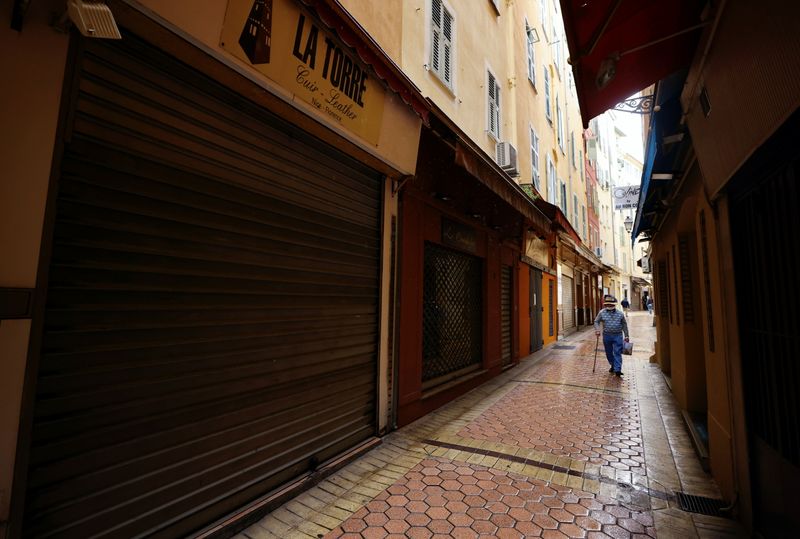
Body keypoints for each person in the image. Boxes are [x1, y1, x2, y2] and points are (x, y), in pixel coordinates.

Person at [594, 295, 630, 377]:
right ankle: (613, 365)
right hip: (607, 336)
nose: (609, 306)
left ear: (614, 305)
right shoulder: (601, 312)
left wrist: (627, 336)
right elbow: (596, 321)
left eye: (611, 304)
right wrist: (597, 330)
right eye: (608, 304)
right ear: (605, 304)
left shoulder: (620, 314)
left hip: (618, 335)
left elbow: (624, 325)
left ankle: (618, 369)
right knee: (608, 352)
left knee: (617, 352)